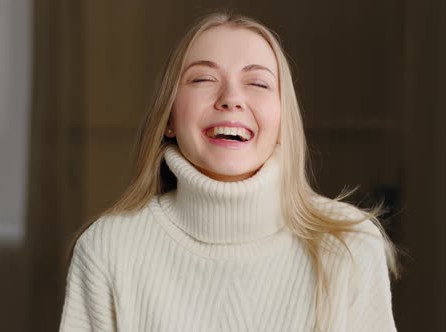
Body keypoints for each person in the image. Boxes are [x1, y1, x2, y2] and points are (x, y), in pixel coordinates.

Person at [59, 12, 399, 332]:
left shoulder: (351, 246)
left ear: (284, 120)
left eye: (258, 83)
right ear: (170, 118)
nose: (231, 98)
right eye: (204, 78)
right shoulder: (108, 249)